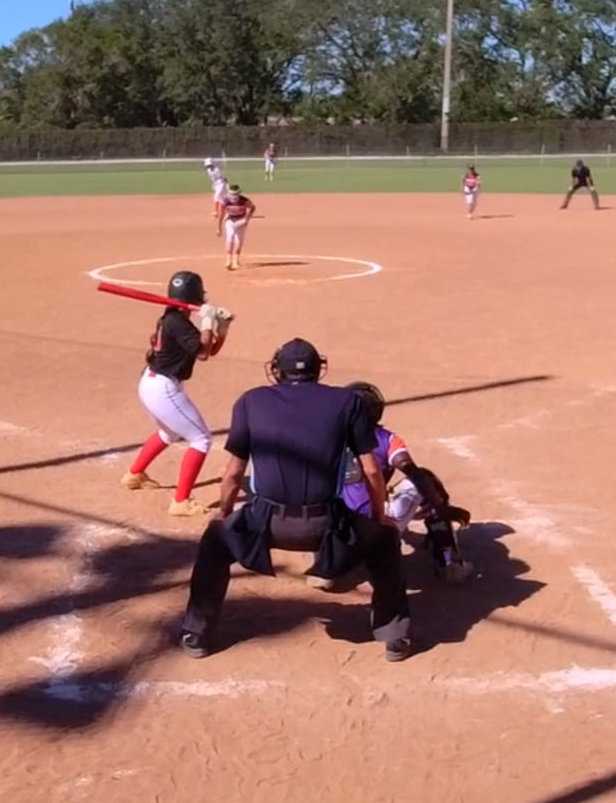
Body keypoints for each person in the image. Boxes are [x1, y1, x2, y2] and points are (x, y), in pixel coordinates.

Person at [175, 338, 415, 662]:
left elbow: (233, 473)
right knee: (384, 540)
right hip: (328, 525)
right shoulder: (348, 401)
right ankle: (394, 636)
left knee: (215, 541)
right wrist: (377, 518)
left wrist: (225, 512)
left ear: (278, 370)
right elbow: (372, 471)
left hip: (265, 521)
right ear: (318, 370)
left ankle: (196, 633)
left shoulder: (251, 401)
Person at [309, 380, 475, 588]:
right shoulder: (386, 439)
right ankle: (450, 564)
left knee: (320, 494)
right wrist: (441, 508)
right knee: (426, 479)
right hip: (372, 524)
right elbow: (414, 473)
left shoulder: (324, 438)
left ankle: (325, 568)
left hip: (328, 523)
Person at [122, 270, 231, 517]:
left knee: (168, 433)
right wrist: (207, 322)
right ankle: (181, 501)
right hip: (162, 388)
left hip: (153, 383)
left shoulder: (173, 319)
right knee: (201, 439)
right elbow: (202, 353)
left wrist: (221, 327)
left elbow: (208, 350)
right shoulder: (177, 323)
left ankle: (134, 474)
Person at [220, 185, 255, 271]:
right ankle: (228, 261)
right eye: (232, 194)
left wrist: (246, 219)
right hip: (230, 220)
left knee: (239, 240)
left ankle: (236, 261)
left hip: (241, 221)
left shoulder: (244, 200)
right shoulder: (225, 201)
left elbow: (252, 207)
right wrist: (219, 227)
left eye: (235, 194)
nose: (234, 196)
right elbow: (221, 214)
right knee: (230, 238)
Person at [203, 158, 227, 236]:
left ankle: (216, 212)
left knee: (216, 197)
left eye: (209, 165)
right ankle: (225, 211)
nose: (209, 166)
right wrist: (213, 185)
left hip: (221, 184)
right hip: (216, 185)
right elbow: (213, 179)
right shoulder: (208, 170)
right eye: (207, 166)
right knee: (222, 199)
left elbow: (222, 178)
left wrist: (226, 184)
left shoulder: (217, 169)